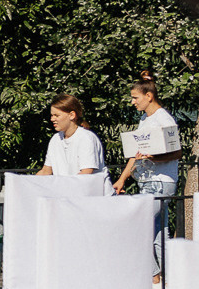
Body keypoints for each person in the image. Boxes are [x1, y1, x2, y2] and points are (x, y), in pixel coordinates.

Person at [112, 72, 184, 269]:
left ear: (148, 96)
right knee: (159, 234)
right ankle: (170, 280)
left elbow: (177, 152)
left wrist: (154, 157)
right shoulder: (145, 119)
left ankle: (153, 276)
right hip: (146, 181)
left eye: (135, 97)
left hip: (161, 182)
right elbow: (135, 154)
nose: (132, 102)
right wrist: (122, 179)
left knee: (137, 226)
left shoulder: (164, 119)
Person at [37, 94, 106, 177]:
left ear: (72, 115)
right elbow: (46, 171)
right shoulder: (55, 139)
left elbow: (86, 173)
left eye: (56, 115)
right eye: (52, 115)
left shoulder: (86, 138)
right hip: (68, 188)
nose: (52, 119)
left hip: (90, 189)